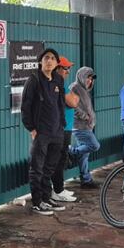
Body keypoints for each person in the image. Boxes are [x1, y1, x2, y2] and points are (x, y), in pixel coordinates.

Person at [20, 49, 69, 216]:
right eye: (46, 58)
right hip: (41, 132)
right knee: (37, 167)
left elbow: (61, 103)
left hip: (57, 131)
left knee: (50, 167)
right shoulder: (33, 80)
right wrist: (31, 128)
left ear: (57, 63)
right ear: (40, 61)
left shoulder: (58, 80)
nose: (49, 61)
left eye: (53, 58)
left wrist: (62, 124)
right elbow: (25, 106)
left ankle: (47, 198)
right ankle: (37, 201)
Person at [49, 57, 79, 204]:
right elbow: (74, 101)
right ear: (58, 69)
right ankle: (58, 190)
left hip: (65, 128)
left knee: (61, 159)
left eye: (69, 68)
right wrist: (73, 97)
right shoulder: (58, 85)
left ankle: (59, 188)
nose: (68, 71)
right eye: (65, 68)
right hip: (61, 128)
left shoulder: (62, 85)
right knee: (58, 160)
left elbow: (74, 100)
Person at [67, 67, 99, 189]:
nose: (90, 81)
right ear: (81, 76)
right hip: (79, 126)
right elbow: (72, 106)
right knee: (94, 146)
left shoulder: (84, 90)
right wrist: (85, 116)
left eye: (91, 79)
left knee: (84, 154)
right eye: (88, 78)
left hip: (87, 125)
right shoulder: (74, 88)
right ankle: (70, 151)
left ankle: (86, 180)